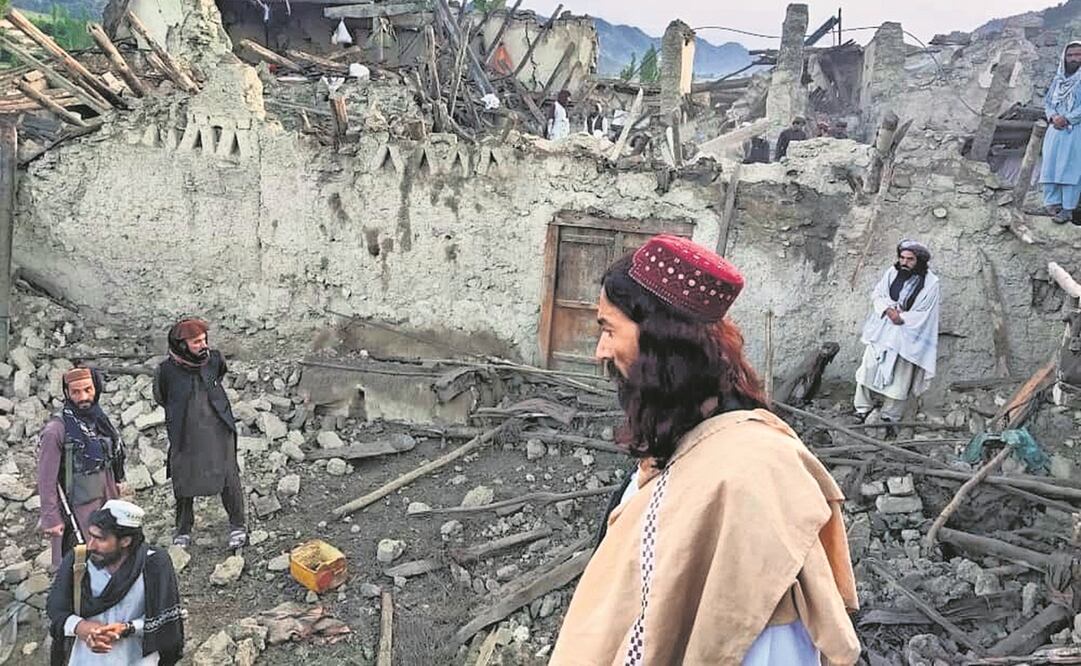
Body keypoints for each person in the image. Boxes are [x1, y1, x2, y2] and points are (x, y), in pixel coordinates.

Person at [550, 235, 860, 665]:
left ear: (661, 342)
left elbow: (762, 642)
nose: (600, 351)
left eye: (608, 329)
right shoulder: (689, 436)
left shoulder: (748, 477)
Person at [46, 499, 184, 666]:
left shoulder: (153, 564)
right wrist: (82, 627)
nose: (91, 545)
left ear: (125, 541)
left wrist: (126, 628)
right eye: (91, 536)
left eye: (100, 539)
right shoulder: (78, 561)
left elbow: (166, 622)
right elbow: (56, 608)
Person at [153, 318, 246, 550]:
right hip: (184, 433)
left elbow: (218, 376)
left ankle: (238, 525)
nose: (203, 345)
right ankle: (183, 530)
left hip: (218, 429)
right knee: (183, 478)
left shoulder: (214, 359)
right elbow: (161, 396)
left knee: (228, 476)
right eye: (196, 342)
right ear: (181, 345)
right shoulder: (166, 371)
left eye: (204, 339)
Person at [38, 367, 126, 570]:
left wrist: (117, 482)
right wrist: (51, 519)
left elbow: (112, 454)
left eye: (88, 389)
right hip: (78, 506)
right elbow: (46, 479)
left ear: (96, 388)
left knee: (110, 553)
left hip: (107, 496)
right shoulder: (56, 430)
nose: (83, 397)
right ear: (67, 393)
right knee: (80, 561)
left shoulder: (99, 420)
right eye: (75, 392)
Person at [854, 240, 941, 427]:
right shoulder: (892, 272)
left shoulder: (931, 283)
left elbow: (925, 312)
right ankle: (862, 409)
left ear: (919, 261)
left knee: (900, 379)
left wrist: (902, 318)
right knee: (867, 369)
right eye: (902, 258)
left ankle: (890, 417)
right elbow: (878, 294)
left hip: (907, 336)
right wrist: (888, 310)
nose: (904, 262)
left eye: (910, 259)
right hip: (883, 330)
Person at [1041, 41, 1081, 225]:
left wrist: (1067, 118)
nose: (1074, 59)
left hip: (1075, 131)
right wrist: (1053, 116)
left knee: (1070, 169)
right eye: (1070, 55)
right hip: (1055, 130)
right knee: (1050, 165)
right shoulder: (1058, 81)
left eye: (1078, 55)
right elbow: (1048, 102)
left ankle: (1068, 209)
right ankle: (1051, 204)